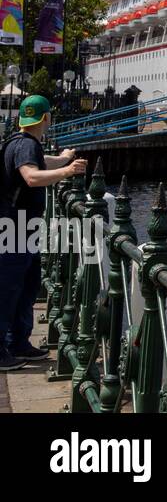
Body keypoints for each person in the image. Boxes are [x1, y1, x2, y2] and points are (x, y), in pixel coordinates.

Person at [0, 94, 86, 371]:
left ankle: (18, 343)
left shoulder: (23, 142)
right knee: (9, 288)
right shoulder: (26, 145)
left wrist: (62, 159)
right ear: (46, 118)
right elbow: (31, 176)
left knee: (27, 283)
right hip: (15, 225)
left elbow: (40, 162)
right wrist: (68, 172)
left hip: (24, 226)